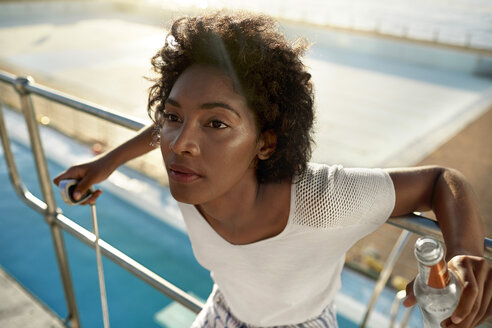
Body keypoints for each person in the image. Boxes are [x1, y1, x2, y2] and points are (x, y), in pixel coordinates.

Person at [53, 11, 491, 328]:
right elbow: (161, 131)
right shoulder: (191, 173)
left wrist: (463, 257)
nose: (179, 144)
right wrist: (106, 163)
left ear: (266, 142)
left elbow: (441, 181)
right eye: (173, 116)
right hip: (225, 312)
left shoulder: (322, 200)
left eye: (217, 123)